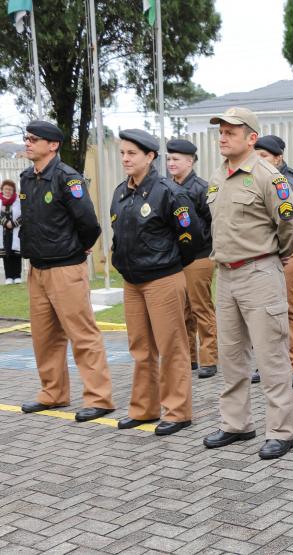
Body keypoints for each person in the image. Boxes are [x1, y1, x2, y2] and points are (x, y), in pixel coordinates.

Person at [202, 107, 293, 460]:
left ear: (251, 137)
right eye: (221, 131)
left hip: (259, 272)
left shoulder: (267, 175)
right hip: (226, 276)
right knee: (231, 356)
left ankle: (281, 431)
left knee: (271, 356)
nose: (223, 137)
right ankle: (236, 424)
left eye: (231, 131)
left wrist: (277, 255)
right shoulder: (219, 174)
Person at [17, 120, 115, 422]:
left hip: (65, 268)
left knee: (82, 334)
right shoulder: (27, 178)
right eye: (27, 138)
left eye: (34, 139)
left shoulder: (67, 178)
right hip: (38, 268)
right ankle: (53, 392)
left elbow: (89, 223)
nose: (28, 143)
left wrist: (79, 249)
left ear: (53, 145)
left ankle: (99, 399)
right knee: (44, 337)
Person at [111, 130, 201, 436]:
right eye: (122, 153)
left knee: (171, 347)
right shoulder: (121, 192)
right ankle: (143, 409)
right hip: (132, 281)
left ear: (150, 157)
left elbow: (191, 237)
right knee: (140, 348)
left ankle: (178, 412)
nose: (125, 158)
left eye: (132, 153)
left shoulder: (168, 192)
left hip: (162, 279)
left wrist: (171, 263)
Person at [254, 134, 293, 388]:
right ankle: (269, 363)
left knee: (290, 309)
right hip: (263, 255)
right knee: (265, 313)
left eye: (264, 156)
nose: (259, 161)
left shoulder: (291, 181)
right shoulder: (254, 180)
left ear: (278, 157)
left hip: (289, 253)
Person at [166, 139, 218, 380]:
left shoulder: (201, 188)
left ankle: (210, 358)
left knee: (201, 308)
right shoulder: (166, 187)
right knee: (182, 311)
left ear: (190, 161)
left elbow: (214, 223)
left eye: (176, 159)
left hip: (198, 257)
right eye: (168, 159)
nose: (170, 163)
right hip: (176, 258)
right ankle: (190, 358)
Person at [1, 179, 22, 284]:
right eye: (6, 189)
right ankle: (8, 277)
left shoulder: (18, 200)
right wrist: (5, 223)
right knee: (6, 254)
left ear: (13, 190)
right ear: (2, 190)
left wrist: (13, 224)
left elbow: (24, 214)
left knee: (16, 255)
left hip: (15, 231)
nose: (8, 191)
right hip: (3, 232)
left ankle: (17, 276)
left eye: (10, 189)